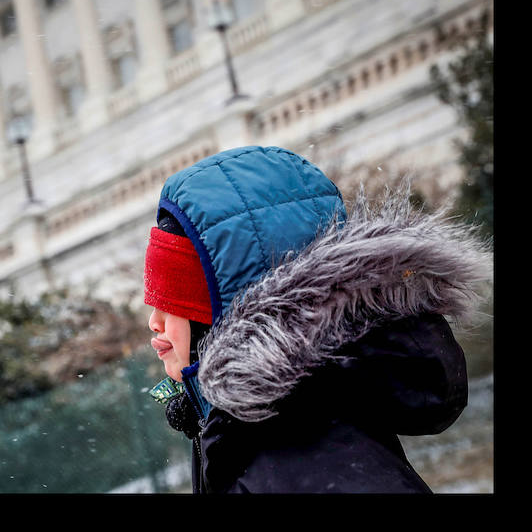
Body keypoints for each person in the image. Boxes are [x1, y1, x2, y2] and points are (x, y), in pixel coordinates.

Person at [142, 146, 492, 493]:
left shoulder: (292, 457)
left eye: (168, 302)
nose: (153, 322)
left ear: (217, 313)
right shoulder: (260, 437)